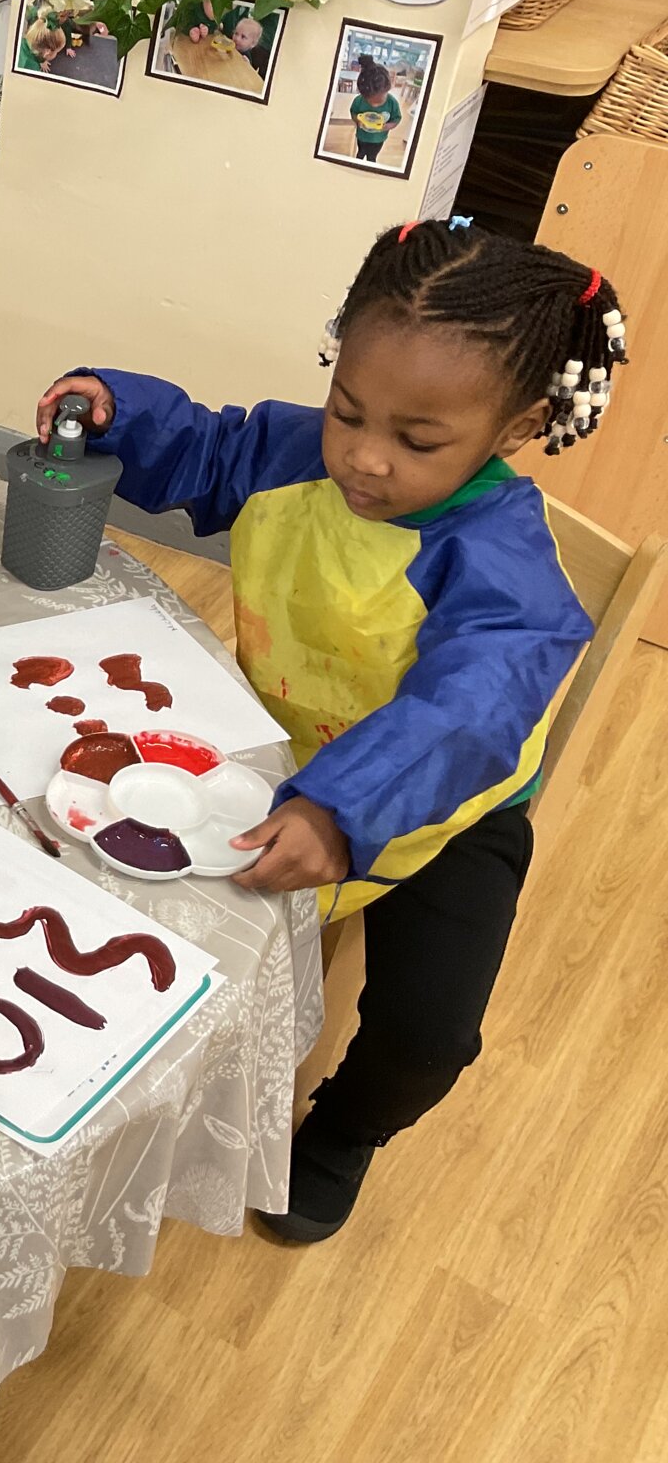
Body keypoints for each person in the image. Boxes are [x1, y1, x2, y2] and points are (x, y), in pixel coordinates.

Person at [34, 220, 624, 1242]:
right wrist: (117, 408)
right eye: (347, 409)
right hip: (271, 749)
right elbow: (208, 446)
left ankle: (344, 1130)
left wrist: (346, 806)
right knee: (107, 909)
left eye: (417, 440)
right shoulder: (292, 453)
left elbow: (468, 712)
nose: (360, 457)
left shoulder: (501, 561)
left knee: (427, 1033)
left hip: (438, 806)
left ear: (516, 425)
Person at [348, 54, 401, 163]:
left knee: (372, 158)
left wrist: (388, 126)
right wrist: (357, 120)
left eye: (379, 101)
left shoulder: (392, 103)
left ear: (387, 89)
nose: (375, 105)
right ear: (363, 94)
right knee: (360, 153)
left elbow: (397, 119)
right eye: (370, 101)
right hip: (362, 137)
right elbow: (353, 112)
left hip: (378, 139)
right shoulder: (358, 101)